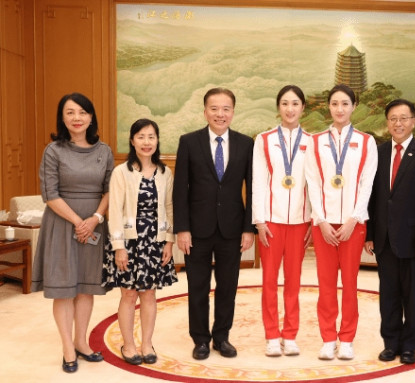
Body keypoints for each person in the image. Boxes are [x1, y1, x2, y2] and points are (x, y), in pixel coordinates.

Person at [31, 92, 114, 373]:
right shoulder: (53, 150)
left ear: (91, 117)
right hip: (61, 224)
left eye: (82, 112)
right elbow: (49, 194)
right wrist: (80, 222)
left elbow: (110, 189)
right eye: (70, 112)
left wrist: (95, 218)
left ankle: (82, 342)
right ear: (62, 118)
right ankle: (68, 347)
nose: (77, 118)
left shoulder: (104, 151)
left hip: (95, 223)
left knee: (86, 287)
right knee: (64, 289)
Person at [173, 87, 255, 360]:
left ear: (233, 111)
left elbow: (252, 189)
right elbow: (180, 190)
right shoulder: (189, 142)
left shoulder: (246, 144)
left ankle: (222, 337)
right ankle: (200, 339)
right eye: (214, 108)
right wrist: (182, 228)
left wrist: (248, 228)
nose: (220, 114)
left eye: (226, 109)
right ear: (205, 111)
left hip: (232, 229)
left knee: (227, 287)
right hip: (196, 230)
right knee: (197, 286)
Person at [364, 99, 415, 365]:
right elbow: (373, 198)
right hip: (384, 240)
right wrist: (370, 233)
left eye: (403, 118)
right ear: (387, 124)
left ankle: (410, 345)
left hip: (414, 242)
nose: (398, 124)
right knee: (388, 295)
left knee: (413, 296)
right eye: (393, 119)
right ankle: (390, 343)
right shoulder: (379, 152)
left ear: (413, 121)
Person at [304, 84, 377, 361]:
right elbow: (313, 181)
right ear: (328, 107)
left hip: (353, 223)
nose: (339, 109)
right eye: (334, 103)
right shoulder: (315, 140)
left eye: (345, 103)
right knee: (325, 283)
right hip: (323, 223)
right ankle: (327, 338)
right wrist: (321, 220)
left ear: (354, 106)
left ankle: (346, 338)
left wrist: (353, 219)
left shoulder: (366, 140)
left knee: (349, 282)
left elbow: (366, 183)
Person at [102, 118, 178, 365]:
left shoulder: (166, 173)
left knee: (149, 295)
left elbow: (169, 208)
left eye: (151, 137)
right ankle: (129, 344)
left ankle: (147, 344)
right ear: (132, 141)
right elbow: (114, 212)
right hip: (129, 242)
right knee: (128, 295)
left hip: (155, 242)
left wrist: (168, 241)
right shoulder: (121, 172)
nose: (147, 142)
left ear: (157, 141)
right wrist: (119, 247)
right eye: (141, 137)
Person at [252, 85, 312, 357]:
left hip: (300, 221)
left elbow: (314, 184)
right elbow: (259, 182)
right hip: (271, 222)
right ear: (278, 107)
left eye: (295, 103)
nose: (290, 109)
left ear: (303, 108)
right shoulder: (263, 140)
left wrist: (312, 220)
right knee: (269, 280)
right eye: (285, 103)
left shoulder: (312, 141)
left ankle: (290, 334)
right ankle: (271, 335)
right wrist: (260, 220)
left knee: (294, 281)